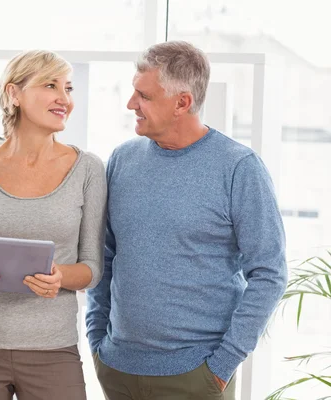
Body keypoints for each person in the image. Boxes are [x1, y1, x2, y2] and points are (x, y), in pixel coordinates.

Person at [85, 41, 287, 400]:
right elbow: (104, 256)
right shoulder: (121, 160)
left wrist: (222, 365)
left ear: (182, 102)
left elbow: (269, 273)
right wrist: (97, 339)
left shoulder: (239, 168)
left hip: (196, 376)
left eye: (143, 95)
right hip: (117, 369)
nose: (131, 104)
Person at [0, 50, 107, 400]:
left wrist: (60, 276)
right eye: (51, 85)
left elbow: (92, 268)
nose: (65, 99)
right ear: (14, 94)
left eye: (69, 88)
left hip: (53, 350)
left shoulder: (88, 169)